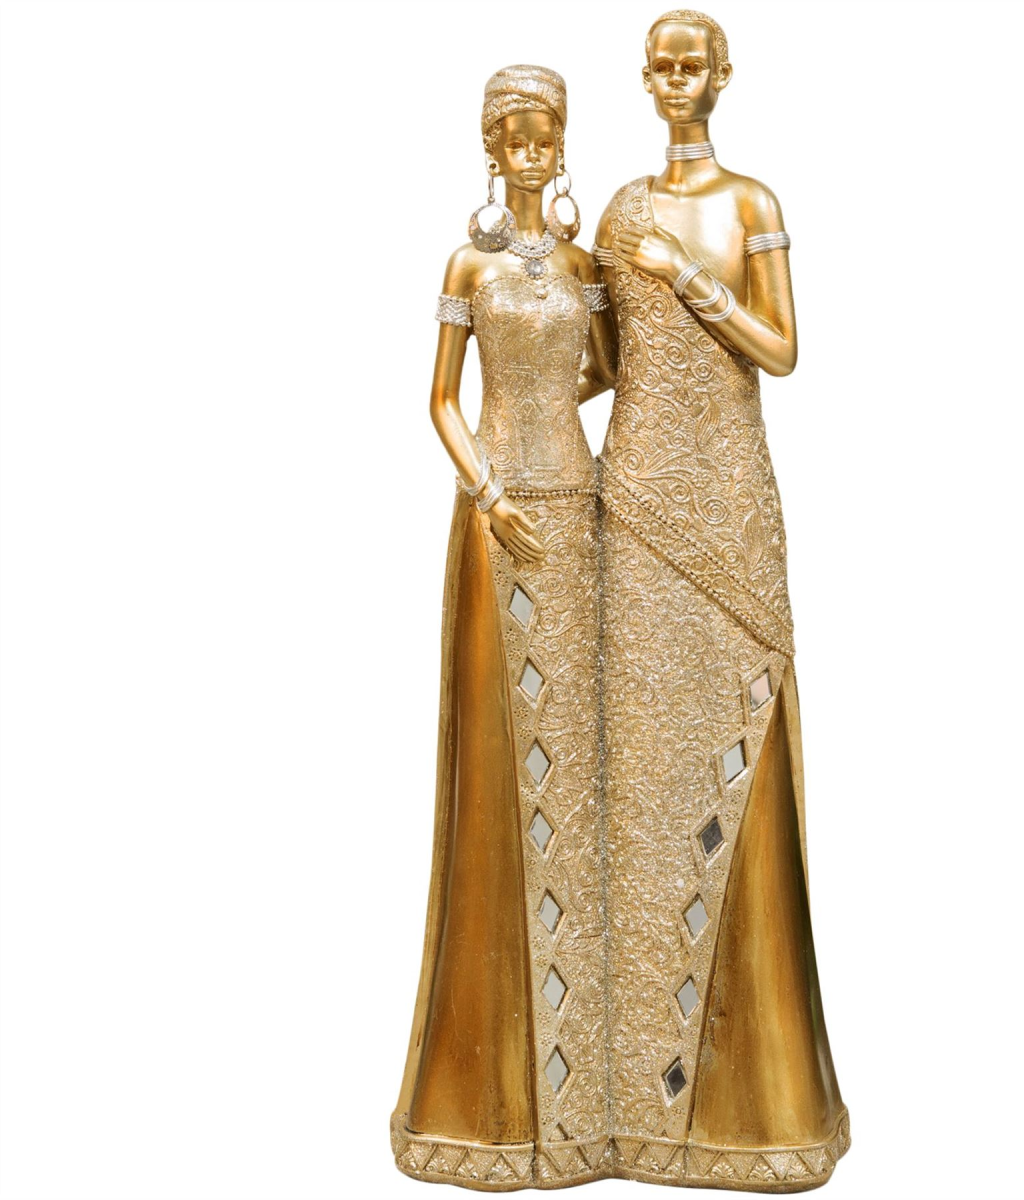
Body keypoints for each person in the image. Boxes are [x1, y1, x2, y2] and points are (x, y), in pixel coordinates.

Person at [593, 11, 850, 1189]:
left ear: (724, 77)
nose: (673, 78)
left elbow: (782, 350)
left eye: (691, 62)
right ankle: (629, 1097)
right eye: (659, 62)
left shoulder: (750, 203)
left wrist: (688, 276)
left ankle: (751, 1093)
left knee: (735, 742)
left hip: (730, 499)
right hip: (634, 498)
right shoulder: (616, 211)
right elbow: (603, 365)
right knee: (636, 763)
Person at [390, 64, 617, 1190]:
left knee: (580, 757)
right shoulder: (467, 265)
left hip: (578, 511)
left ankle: (592, 1074)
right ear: (492, 149)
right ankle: (496, 1084)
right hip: (500, 517)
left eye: (546, 135)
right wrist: (490, 489)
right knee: (501, 758)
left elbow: (612, 375)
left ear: (562, 145)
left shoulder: (584, 267)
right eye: (514, 136)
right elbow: (439, 399)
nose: (531, 151)